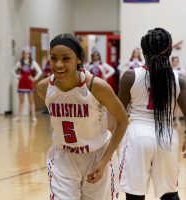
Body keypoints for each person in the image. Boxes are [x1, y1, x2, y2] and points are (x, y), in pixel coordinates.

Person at [36, 33, 128, 200]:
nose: (58, 64)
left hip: (98, 155)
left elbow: (122, 121)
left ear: (78, 59)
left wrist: (104, 160)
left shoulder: (96, 87)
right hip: (64, 157)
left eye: (66, 59)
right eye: (53, 58)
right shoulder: (44, 88)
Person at [118, 28, 186, 200]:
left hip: (136, 136)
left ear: (143, 52)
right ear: (169, 51)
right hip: (167, 135)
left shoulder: (130, 76)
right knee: (170, 194)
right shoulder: (178, 79)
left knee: (135, 195)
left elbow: (118, 114)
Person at [13, 47, 42, 122]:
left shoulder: (33, 62)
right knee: (21, 101)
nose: (26, 55)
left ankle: (33, 116)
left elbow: (40, 72)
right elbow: (12, 71)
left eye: (28, 53)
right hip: (21, 84)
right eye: (25, 53)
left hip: (29, 84)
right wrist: (17, 76)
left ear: (29, 54)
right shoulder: (20, 63)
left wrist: (34, 79)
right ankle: (19, 117)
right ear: (23, 54)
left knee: (31, 101)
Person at [171, 56, 186, 126]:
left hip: (179, 89)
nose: (175, 62)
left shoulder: (181, 70)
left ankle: (177, 119)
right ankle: (171, 119)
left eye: (176, 61)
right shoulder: (169, 69)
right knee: (171, 105)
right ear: (172, 62)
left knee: (177, 105)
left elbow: (184, 79)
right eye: (174, 61)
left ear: (178, 62)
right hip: (171, 89)